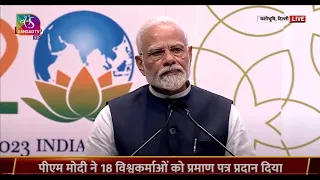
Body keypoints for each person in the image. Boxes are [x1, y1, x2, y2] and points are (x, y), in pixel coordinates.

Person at [84, 16, 256, 156]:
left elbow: (248, 169)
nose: (169, 59)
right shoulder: (113, 116)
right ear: (140, 63)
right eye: (157, 52)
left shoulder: (225, 112)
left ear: (189, 54)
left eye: (176, 49)